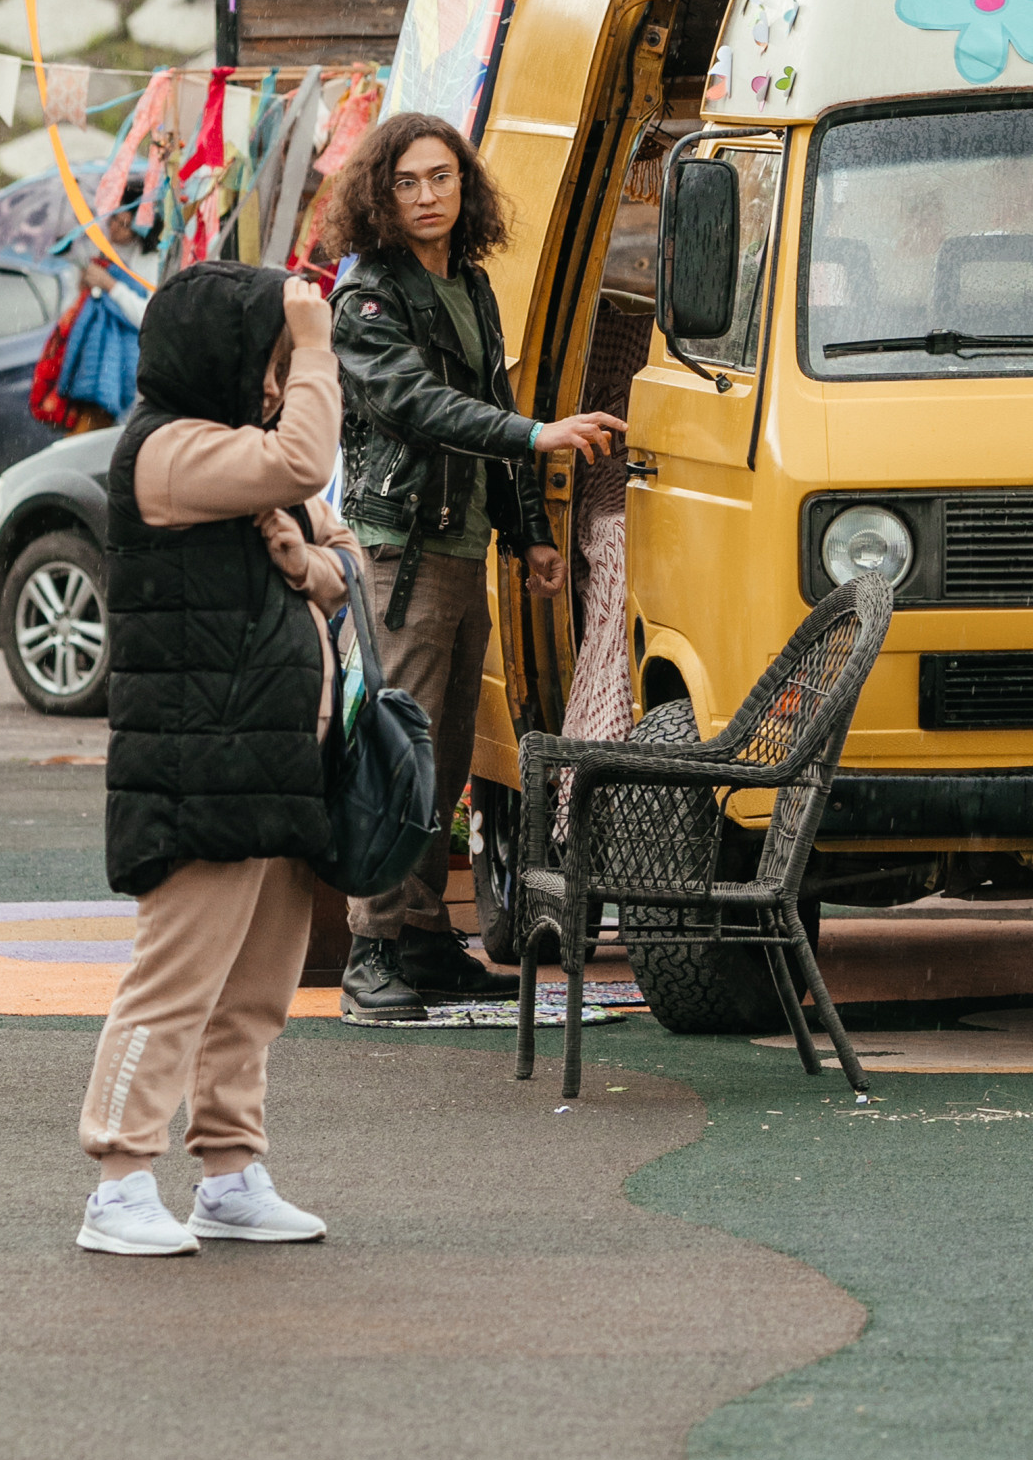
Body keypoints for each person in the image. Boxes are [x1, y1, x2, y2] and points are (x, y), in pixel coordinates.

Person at [77, 262, 354, 1257]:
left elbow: (335, 535)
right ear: (217, 356)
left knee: (255, 989)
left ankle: (230, 1172)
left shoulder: (228, 452)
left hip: (267, 754)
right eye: (268, 361)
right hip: (197, 757)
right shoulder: (168, 450)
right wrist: (317, 340)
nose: (279, 381)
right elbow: (304, 463)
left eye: (286, 364)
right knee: (174, 981)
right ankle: (116, 1178)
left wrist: (312, 561)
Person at [324, 109, 625, 1023]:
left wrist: (529, 527)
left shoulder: (471, 282)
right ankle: (368, 951)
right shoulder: (366, 298)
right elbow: (421, 406)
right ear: (380, 193)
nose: (427, 196)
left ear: (466, 186)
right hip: (397, 553)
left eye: (442, 178)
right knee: (392, 755)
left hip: (460, 550)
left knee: (446, 755)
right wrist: (540, 436)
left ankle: (419, 935)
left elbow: (488, 397)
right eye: (408, 182)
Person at [32, 205, 155, 435]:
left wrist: (111, 286)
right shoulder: (94, 250)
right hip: (91, 365)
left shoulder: (149, 262)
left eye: (125, 224)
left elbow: (147, 316)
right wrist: (83, 289)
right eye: (113, 221)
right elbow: (69, 312)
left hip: (125, 364)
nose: (116, 229)